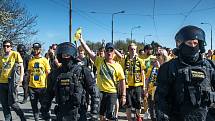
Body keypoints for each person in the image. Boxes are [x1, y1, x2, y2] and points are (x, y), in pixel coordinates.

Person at [155, 25, 215, 121]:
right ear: (181, 44)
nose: (193, 46)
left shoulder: (210, 66)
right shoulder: (169, 67)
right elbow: (161, 99)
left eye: (195, 43)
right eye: (189, 43)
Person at [40, 42, 100, 121]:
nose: (65, 56)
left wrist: (94, 113)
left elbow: (94, 92)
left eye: (67, 54)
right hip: (61, 113)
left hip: (79, 113)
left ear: (73, 55)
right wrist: (45, 110)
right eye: (63, 54)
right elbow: (48, 93)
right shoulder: (55, 73)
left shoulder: (83, 71)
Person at [79, 36, 126, 121]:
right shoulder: (99, 61)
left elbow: (122, 81)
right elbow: (88, 51)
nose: (109, 52)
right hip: (100, 93)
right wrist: (81, 40)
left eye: (111, 50)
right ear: (104, 52)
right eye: (107, 50)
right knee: (101, 115)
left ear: (114, 53)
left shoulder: (118, 66)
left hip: (112, 93)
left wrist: (123, 95)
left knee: (110, 116)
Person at [0, 40, 26, 121]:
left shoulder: (15, 54)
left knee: (12, 103)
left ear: (11, 47)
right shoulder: (1, 57)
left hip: (11, 82)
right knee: (4, 104)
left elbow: (21, 66)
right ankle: (8, 119)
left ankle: (22, 117)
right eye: (4, 46)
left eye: (7, 46)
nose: (5, 47)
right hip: (1, 82)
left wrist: (21, 78)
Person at [28, 43, 51, 121]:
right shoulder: (31, 61)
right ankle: (36, 118)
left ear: (40, 49)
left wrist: (49, 86)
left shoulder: (44, 60)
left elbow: (48, 73)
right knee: (34, 105)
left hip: (42, 87)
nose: (35, 50)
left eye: (37, 49)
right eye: (34, 48)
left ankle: (47, 118)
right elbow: (29, 73)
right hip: (32, 87)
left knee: (44, 105)